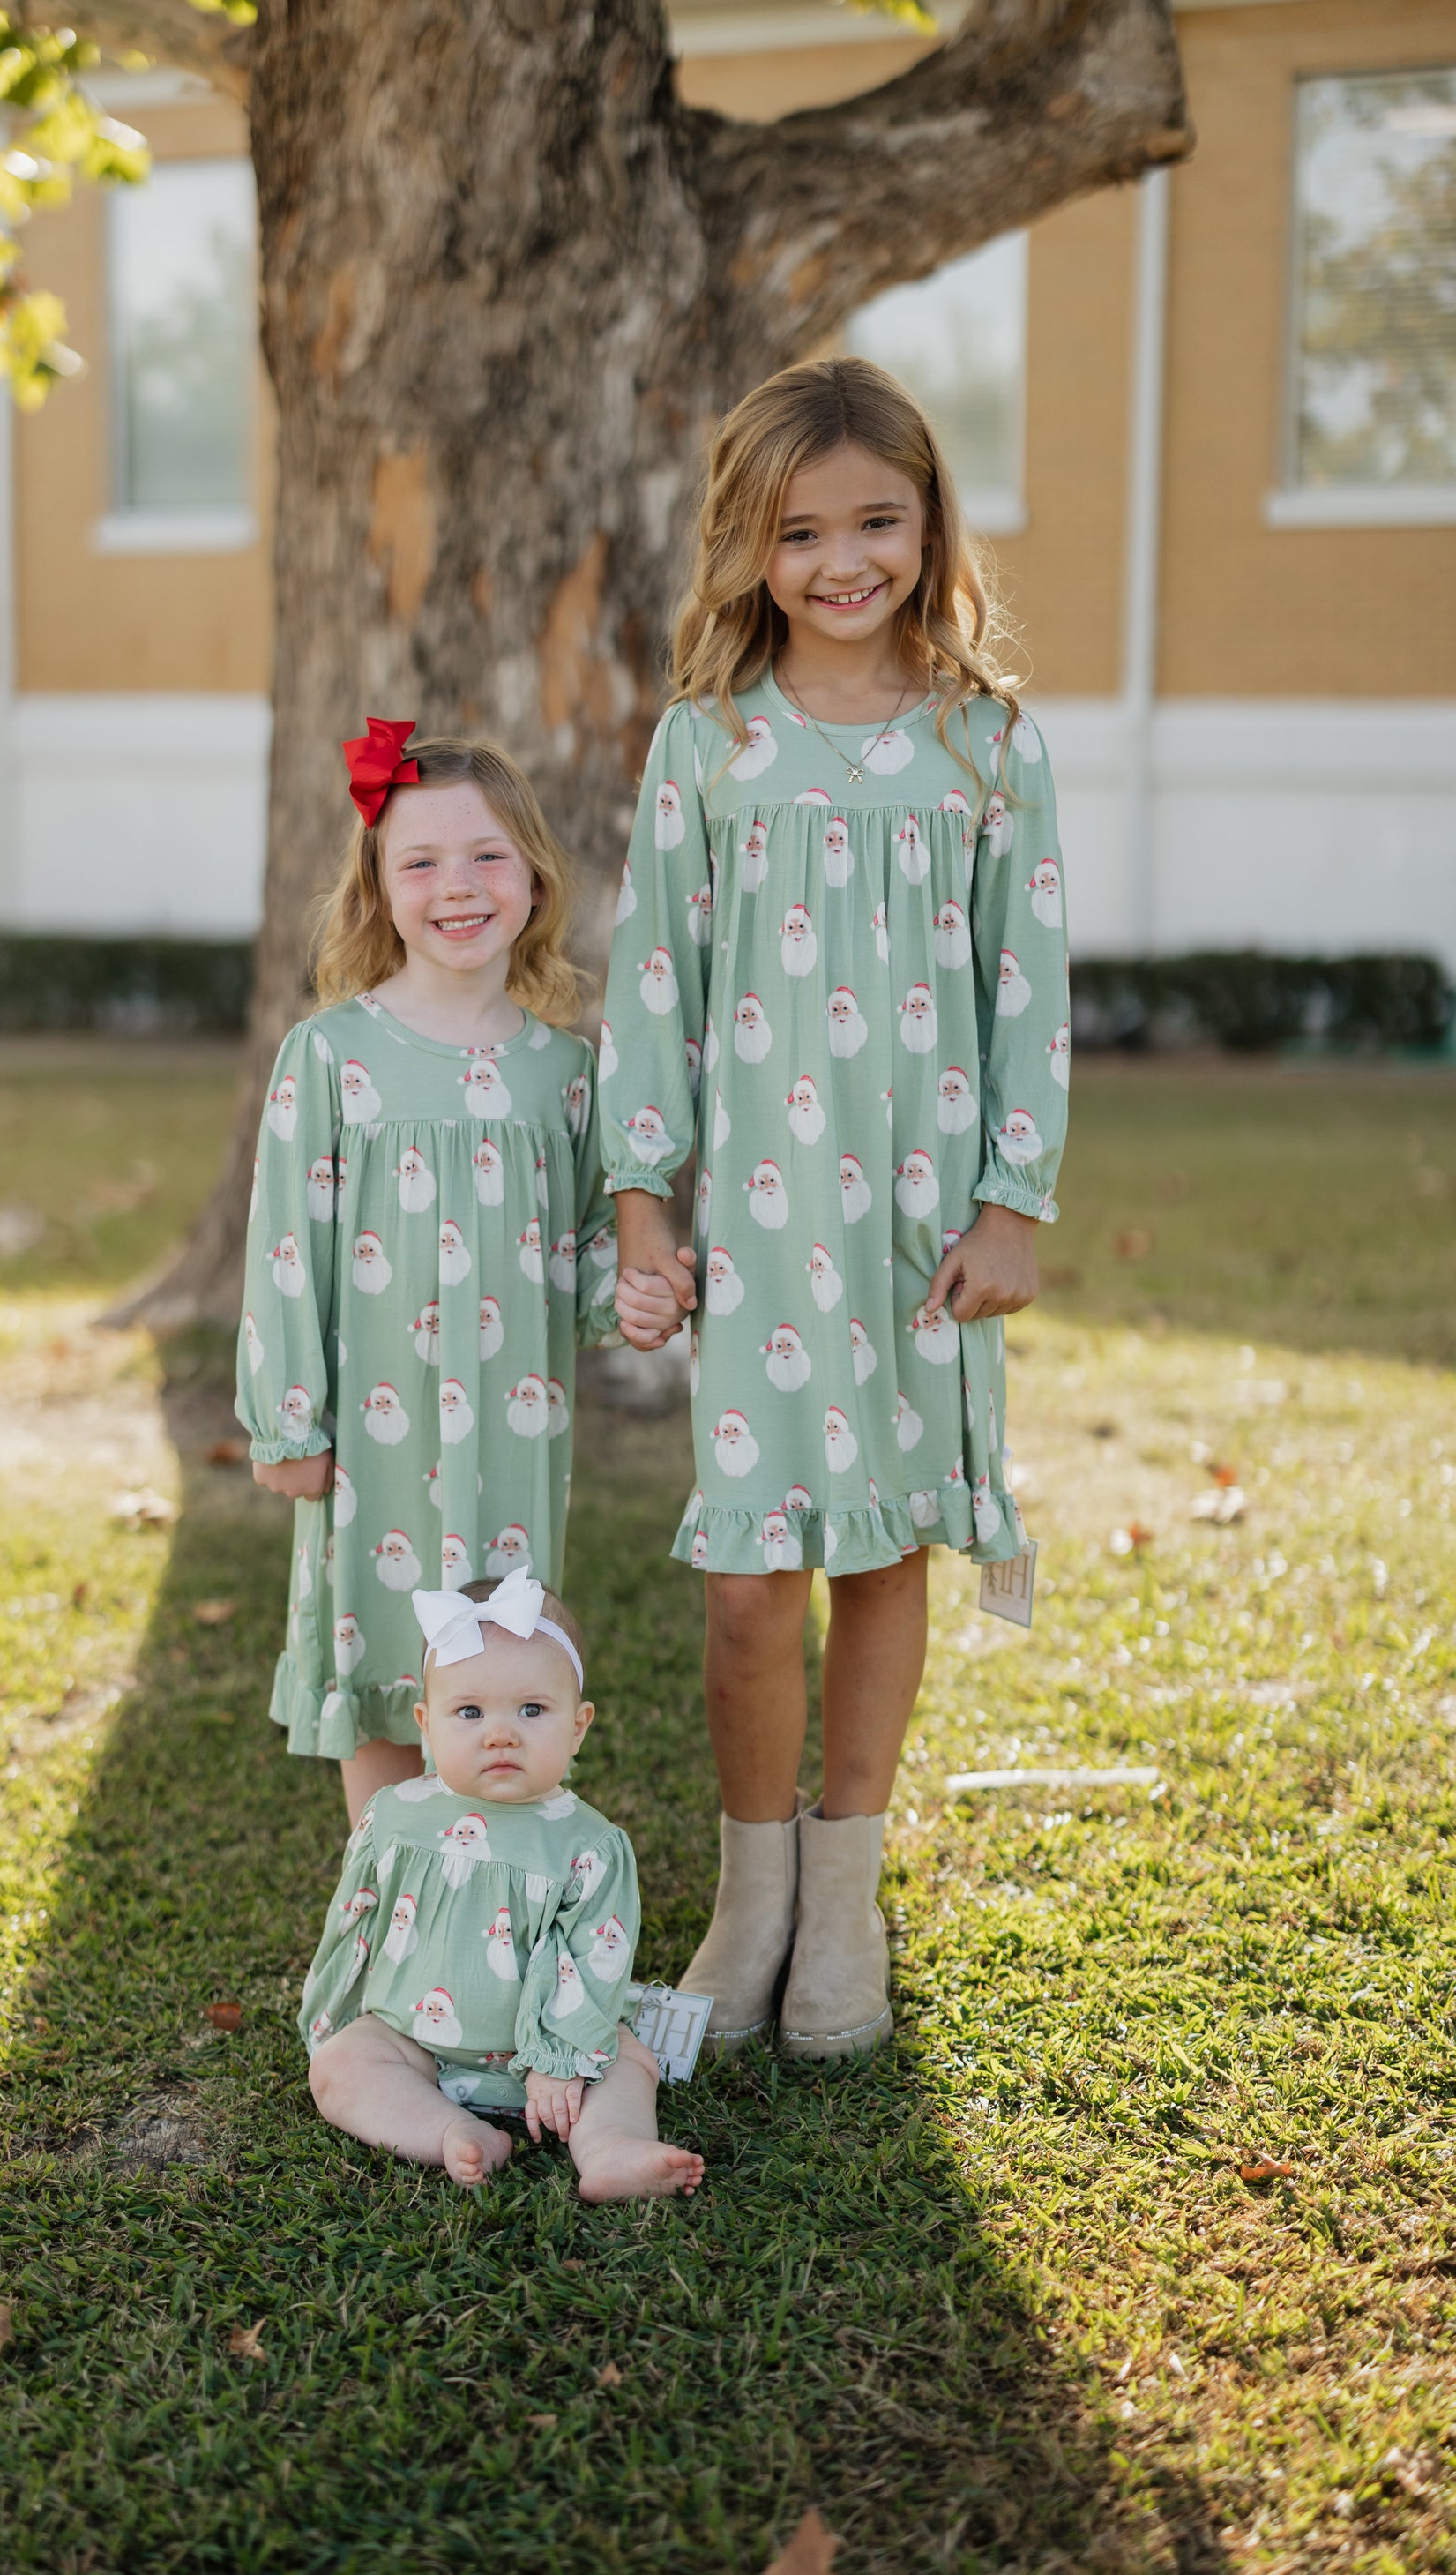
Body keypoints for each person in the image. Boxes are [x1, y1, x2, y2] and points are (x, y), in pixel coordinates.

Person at [597, 356, 1070, 2062]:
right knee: (748, 1572)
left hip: (924, 1223)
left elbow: (1030, 986)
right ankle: (752, 1894)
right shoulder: (709, 746)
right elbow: (652, 980)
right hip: (764, 1224)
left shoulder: (983, 739)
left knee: (878, 1544)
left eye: (877, 518)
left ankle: (846, 1892)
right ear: (753, 545)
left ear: (929, 522)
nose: (843, 557)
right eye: (803, 530)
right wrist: (643, 1206)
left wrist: (1014, 1201)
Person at [236, 722, 618, 1827]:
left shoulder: (563, 1072)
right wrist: (287, 1423)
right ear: (377, 888)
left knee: (497, 1667)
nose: (457, 886)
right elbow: (283, 1253)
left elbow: (587, 1248)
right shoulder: (332, 1056)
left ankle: (486, 1905)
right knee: (384, 1664)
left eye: (487, 855)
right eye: (420, 862)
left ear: (535, 879)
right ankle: (387, 1906)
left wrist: (633, 1290)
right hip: (373, 1439)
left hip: (513, 1430)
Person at [300, 1571, 705, 2199]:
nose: (500, 1732)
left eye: (532, 1709)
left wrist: (559, 2060)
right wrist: (334, 2016)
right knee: (338, 2067)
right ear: (425, 1723)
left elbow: (598, 1959)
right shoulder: (394, 1816)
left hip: (551, 2057)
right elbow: (354, 1921)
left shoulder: (587, 1843)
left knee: (630, 2062)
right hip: (414, 2041)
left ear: (578, 1724)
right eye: (469, 1711)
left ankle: (610, 2146)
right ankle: (449, 2129)